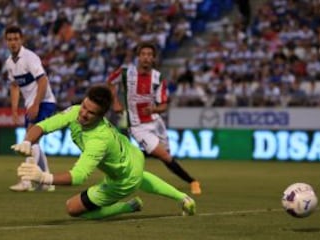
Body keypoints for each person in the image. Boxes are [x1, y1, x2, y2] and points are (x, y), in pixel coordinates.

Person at [12, 85, 196, 219]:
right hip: (133, 155)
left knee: (73, 209)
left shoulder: (98, 140)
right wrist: (28, 141)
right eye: (84, 106)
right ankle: (183, 198)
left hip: (123, 179)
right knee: (139, 174)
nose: (83, 114)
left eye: (90, 113)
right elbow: (43, 126)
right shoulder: (75, 111)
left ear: (101, 117)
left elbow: (78, 176)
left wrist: (44, 178)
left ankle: (128, 207)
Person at [107, 41, 201, 195]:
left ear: (154, 59)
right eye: (143, 54)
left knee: (166, 156)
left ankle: (128, 157)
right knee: (163, 155)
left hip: (156, 122)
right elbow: (110, 82)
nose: (146, 58)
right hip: (137, 126)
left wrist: (154, 108)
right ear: (138, 57)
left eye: (149, 55)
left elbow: (164, 105)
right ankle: (193, 181)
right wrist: (115, 101)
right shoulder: (125, 72)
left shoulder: (158, 78)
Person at [4, 25, 56, 192]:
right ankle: (47, 181)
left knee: (30, 140)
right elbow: (14, 86)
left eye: (16, 39)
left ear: (21, 40)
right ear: (6, 42)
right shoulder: (9, 63)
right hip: (30, 105)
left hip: (44, 102)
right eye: (10, 39)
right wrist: (14, 110)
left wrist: (36, 104)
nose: (13, 42)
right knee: (34, 142)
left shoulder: (30, 57)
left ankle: (26, 181)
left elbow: (43, 81)